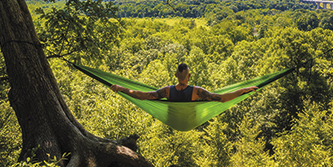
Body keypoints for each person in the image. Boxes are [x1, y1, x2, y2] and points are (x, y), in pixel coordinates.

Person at [110, 63, 257, 102]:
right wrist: (243, 90)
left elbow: (142, 95)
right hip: (190, 120)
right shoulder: (197, 91)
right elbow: (223, 98)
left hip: (173, 119)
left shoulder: (166, 91)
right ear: (189, 76)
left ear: (175, 75)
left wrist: (122, 88)